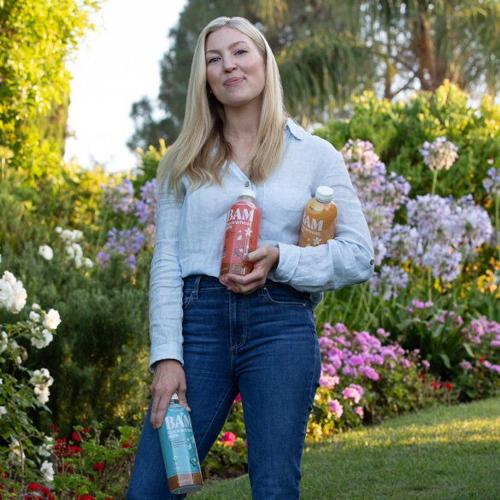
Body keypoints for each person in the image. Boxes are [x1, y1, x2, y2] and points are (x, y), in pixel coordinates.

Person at [127, 16, 374, 500]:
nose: (228, 66)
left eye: (240, 52)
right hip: (199, 326)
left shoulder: (315, 155)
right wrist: (167, 357)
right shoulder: (183, 160)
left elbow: (358, 255)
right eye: (213, 59)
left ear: (264, 63)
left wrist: (282, 258)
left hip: (280, 325)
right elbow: (167, 264)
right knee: (150, 488)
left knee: (275, 486)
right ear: (205, 78)